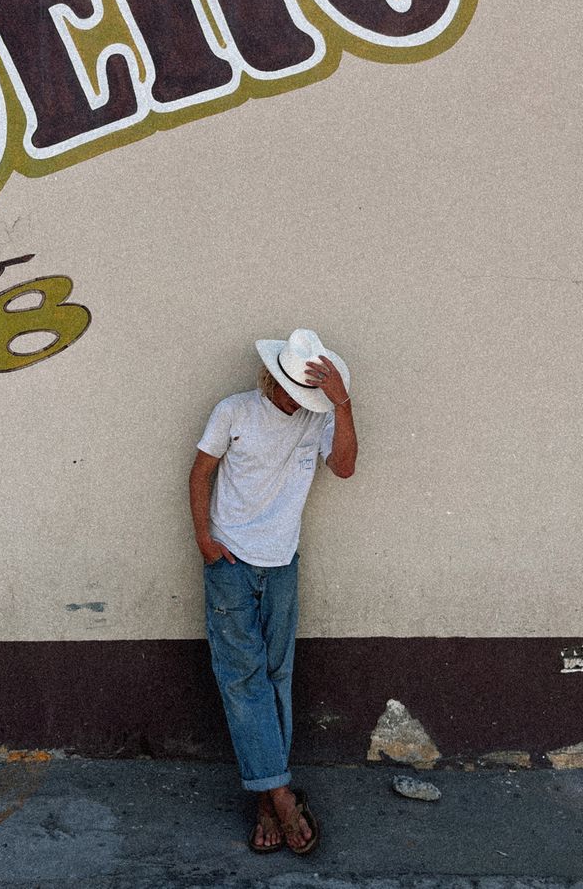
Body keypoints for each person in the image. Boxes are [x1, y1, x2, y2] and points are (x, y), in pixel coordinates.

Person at [189, 328, 358, 855]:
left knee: (276, 675)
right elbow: (200, 474)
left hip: (283, 562)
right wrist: (205, 541)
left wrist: (341, 404)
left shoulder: (319, 416)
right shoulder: (234, 411)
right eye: (292, 388)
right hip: (231, 562)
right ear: (273, 375)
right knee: (244, 680)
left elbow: (346, 467)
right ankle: (283, 797)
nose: (297, 401)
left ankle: (265, 799)